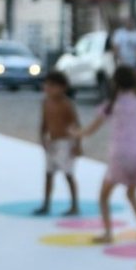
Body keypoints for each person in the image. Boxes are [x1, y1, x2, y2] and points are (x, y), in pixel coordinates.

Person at [74, 65, 136, 243]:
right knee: (132, 194)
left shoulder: (112, 105)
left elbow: (90, 130)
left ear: (115, 83)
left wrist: (76, 133)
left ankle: (108, 233)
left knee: (104, 196)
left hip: (120, 154)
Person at [33, 71, 82, 216]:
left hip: (65, 142)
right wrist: (42, 138)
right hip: (52, 141)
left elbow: (76, 125)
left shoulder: (66, 104)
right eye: (47, 85)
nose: (48, 88)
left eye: (52, 86)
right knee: (48, 173)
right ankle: (46, 204)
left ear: (62, 87)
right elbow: (44, 122)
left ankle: (74, 205)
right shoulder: (45, 102)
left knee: (68, 174)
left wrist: (77, 145)